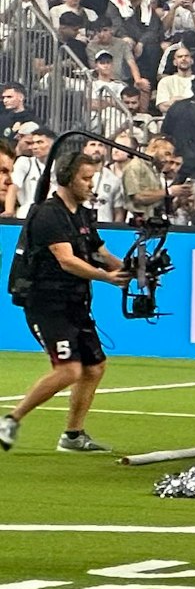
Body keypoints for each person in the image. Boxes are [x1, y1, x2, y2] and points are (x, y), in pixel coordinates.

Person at [0, 147, 129, 454]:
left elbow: (98, 250)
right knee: (69, 370)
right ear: (68, 178)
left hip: (74, 303)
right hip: (47, 303)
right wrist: (107, 278)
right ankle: (10, 420)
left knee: (95, 367)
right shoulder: (49, 214)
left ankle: (73, 435)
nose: (90, 184)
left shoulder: (81, 214)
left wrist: (128, 270)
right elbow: (67, 260)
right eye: (85, 178)